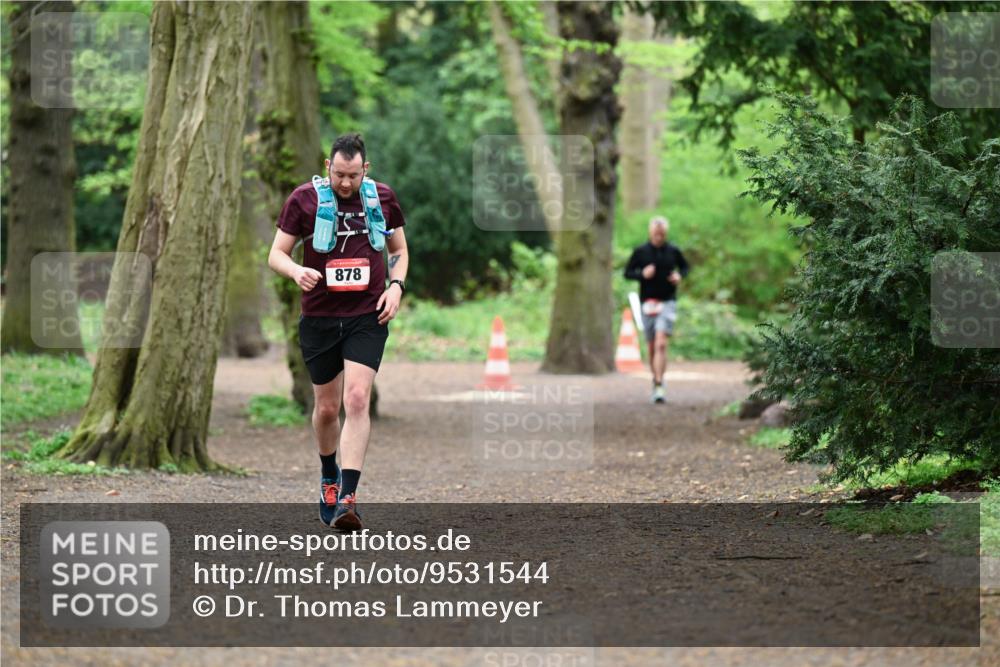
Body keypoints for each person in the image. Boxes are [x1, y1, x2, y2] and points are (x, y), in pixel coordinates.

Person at [268, 133, 408, 530]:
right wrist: (296, 271)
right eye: (339, 174)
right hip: (320, 316)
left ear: (366, 169)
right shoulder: (303, 200)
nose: (345, 183)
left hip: (368, 314)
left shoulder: (382, 198)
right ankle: (328, 477)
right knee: (328, 409)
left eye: (353, 175)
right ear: (327, 166)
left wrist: (396, 287)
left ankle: (348, 496)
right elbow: (276, 253)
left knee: (358, 398)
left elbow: (399, 251)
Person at [623, 216, 689, 404]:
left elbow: (685, 267)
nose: (659, 236)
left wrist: (679, 275)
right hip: (647, 303)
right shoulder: (641, 252)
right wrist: (642, 274)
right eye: (656, 233)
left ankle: (660, 383)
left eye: (662, 233)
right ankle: (655, 380)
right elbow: (627, 272)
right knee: (652, 346)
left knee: (661, 343)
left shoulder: (673, 251)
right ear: (650, 232)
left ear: (665, 233)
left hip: (667, 302)